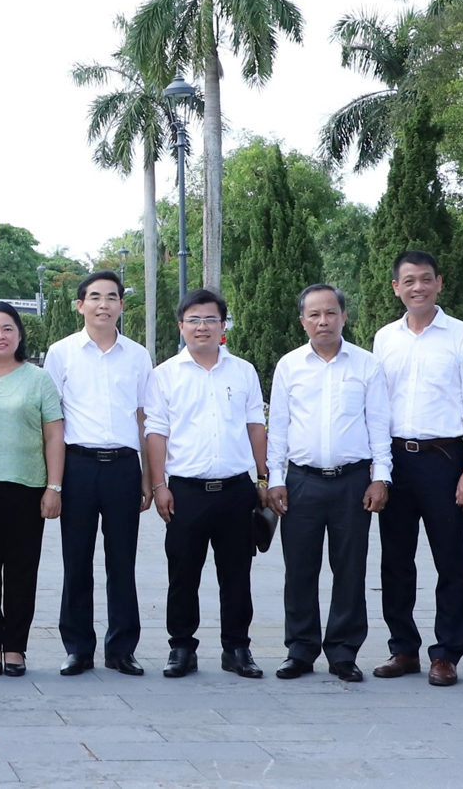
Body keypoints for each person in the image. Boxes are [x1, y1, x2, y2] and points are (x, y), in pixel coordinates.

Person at [371, 250, 463, 687]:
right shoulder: (385, 338)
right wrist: (377, 470)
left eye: (425, 279)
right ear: (396, 288)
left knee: (449, 559)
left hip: (444, 459)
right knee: (395, 560)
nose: (417, 287)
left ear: (439, 282)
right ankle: (402, 649)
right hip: (395, 459)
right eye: (408, 280)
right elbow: (376, 407)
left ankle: (446, 654)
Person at [264, 285, 392, 683]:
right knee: (299, 569)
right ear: (302, 320)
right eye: (314, 314)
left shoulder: (366, 365)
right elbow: (278, 428)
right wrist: (275, 479)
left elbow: (379, 425)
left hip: (353, 481)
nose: (323, 321)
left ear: (343, 317)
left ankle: (343, 652)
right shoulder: (289, 365)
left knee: (349, 569)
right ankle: (300, 650)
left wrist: (380, 477)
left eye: (331, 313)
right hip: (301, 481)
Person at [144, 289, 267, 680]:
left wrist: (264, 478)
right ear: (181, 326)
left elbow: (255, 426)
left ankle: (237, 648)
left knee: (237, 574)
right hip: (186, 491)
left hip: (236, 489)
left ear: (223, 326)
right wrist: (159, 485)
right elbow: (156, 432)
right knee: (183, 574)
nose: (202, 327)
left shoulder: (243, 371)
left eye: (211, 319)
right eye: (194, 320)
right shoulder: (164, 375)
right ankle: (182, 647)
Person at [44, 270, 154, 677]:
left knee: (122, 561)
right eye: (95, 297)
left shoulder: (138, 356)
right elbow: (51, 419)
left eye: (112, 297)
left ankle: (122, 648)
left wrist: (148, 477)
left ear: (122, 305)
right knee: (76, 561)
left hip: (124, 467)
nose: (103, 304)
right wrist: (52, 483)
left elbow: (146, 417)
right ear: (80, 305)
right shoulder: (61, 353)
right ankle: (78, 648)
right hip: (78, 467)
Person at [0, 301, 63, 678]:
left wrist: (54, 486)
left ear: (19, 334)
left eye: (7, 329)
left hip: (27, 487)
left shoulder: (38, 379)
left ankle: (16, 646)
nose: (0, 336)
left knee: (23, 571)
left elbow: (55, 434)